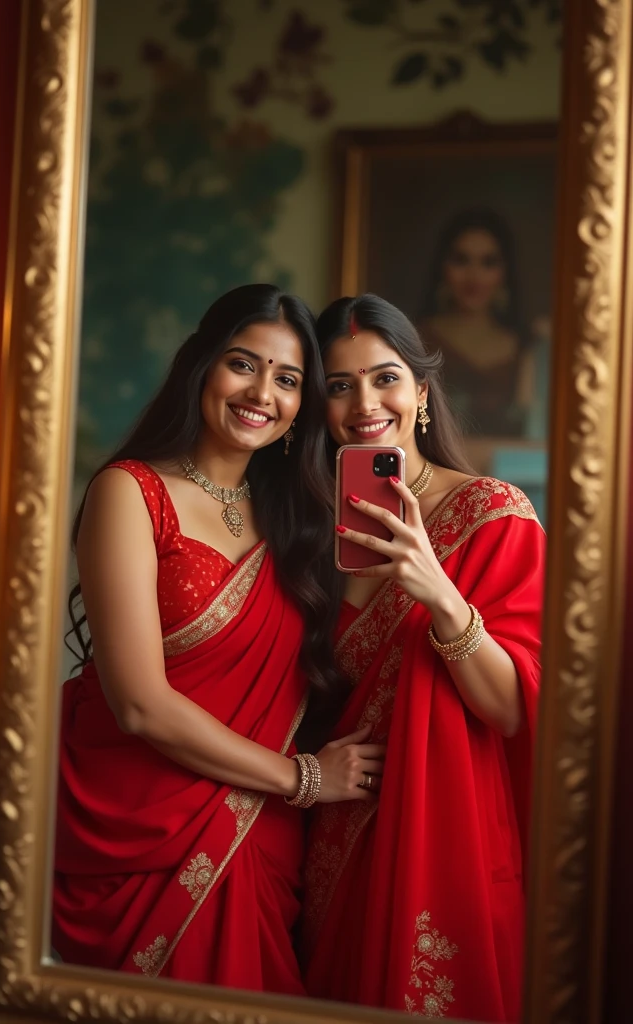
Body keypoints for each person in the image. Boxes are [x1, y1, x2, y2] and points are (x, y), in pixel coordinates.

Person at [52, 284, 384, 994]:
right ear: (202, 366)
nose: (262, 391)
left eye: (289, 379)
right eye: (244, 363)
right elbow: (138, 703)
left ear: (302, 407)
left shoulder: (299, 519)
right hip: (131, 824)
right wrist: (304, 777)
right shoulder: (130, 492)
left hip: (254, 840)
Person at [302, 293, 544, 1022]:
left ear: (422, 395)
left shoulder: (493, 516)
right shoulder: (308, 533)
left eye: (385, 378)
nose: (364, 403)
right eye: (338, 386)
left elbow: (509, 709)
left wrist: (438, 592)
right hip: (328, 836)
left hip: (447, 843)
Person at [417, 208, 538, 438]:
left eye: (488, 262)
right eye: (461, 260)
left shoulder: (527, 348)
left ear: (505, 272)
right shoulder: (416, 340)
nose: (474, 276)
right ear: (442, 267)